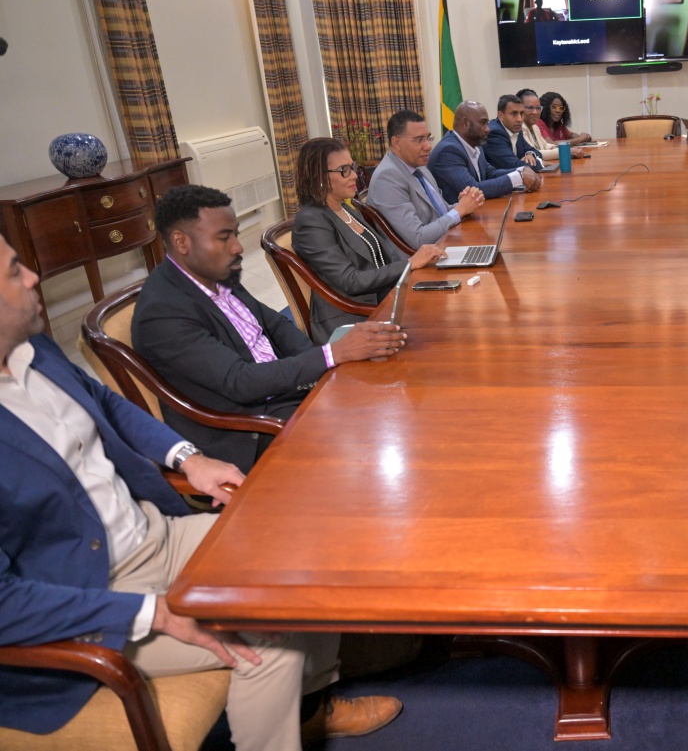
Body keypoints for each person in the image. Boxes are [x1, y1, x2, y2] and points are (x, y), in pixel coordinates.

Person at [0, 233, 400, 748]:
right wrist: (153, 612)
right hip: (86, 599)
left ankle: (309, 706)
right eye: (14, 272)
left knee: (310, 547)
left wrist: (189, 458)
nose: (34, 277)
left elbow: (106, 402)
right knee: (266, 640)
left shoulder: (30, 347)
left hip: (152, 533)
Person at [132, 185, 408, 472]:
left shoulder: (213, 271)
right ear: (181, 241)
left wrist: (328, 370)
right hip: (248, 429)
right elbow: (241, 382)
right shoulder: (162, 312)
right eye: (223, 237)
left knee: (391, 395)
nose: (237, 247)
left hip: (284, 395)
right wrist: (331, 355)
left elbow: (274, 325)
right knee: (374, 442)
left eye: (235, 235)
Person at [292, 137, 445, 344]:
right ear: (320, 177)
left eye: (352, 167)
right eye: (344, 170)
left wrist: (418, 272)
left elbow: (385, 256)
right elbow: (351, 281)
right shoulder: (310, 221)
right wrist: (410, 264)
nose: (355, 175)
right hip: (352, 318)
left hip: (384, 302)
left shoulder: (346, 207)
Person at [367, 110, 485, 250]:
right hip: (420, 261)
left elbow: (441, 212)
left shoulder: (419, 166)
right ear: (396, 142)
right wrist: (460, 210)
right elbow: (418, 238)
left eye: (428, 138)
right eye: (419, 140)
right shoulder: (387, 178)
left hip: (443, 243)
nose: (428, 146)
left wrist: (467, 202)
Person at [429, 101, 542, 200]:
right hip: (456, 221)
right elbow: (473, 189)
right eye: (483, 123)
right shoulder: (448, 151)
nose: (488, 129)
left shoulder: (475, 144)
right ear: (465, 124)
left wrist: (522, 170)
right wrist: (518, 177)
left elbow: (491, 174)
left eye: (487, 123)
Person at [518, 88, 583, 162]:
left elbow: (546, 145)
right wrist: (566, 152)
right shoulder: (519, 128)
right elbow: (533, 153)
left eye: (538, 108)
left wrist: (555, 148)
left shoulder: (534, 127)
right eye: (530, 108)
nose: (535, 112)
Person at [484, 93, 543, 170]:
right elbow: (515, 166)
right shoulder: (494, 134)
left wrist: (530, 154)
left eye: (521, 113)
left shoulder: (516, 129)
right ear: (501, 115)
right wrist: (539, 162)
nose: (520, 119)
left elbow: (535, 151)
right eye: (514, 113)